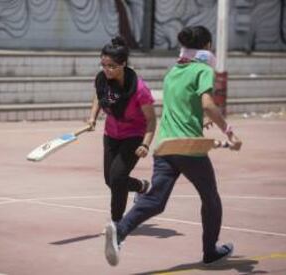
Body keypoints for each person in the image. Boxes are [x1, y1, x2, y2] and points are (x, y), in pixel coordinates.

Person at [104, 26, 242, 266]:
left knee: (156, 200)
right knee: (210, 198)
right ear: (207, 46)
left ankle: (120, 230)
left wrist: (200, 119)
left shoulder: (173, 72)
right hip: (188, 147)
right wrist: (229, 132)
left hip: (165, 145)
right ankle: (210, 251)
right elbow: (208, 104)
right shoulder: (202, 70)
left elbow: (183, 107)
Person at [87, 36, 157, 224]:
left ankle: (117, 223)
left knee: (117, 178)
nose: (107, 70)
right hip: (111, 134)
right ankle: (141, 186)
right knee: (110, 180)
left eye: (112, 66)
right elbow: (98, 95)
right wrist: (93, 117)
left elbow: (151, 120)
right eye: (104, 65)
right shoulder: (102, 79)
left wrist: (145, 144)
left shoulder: (139, 89)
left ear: (123, 64)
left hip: (133, 136)